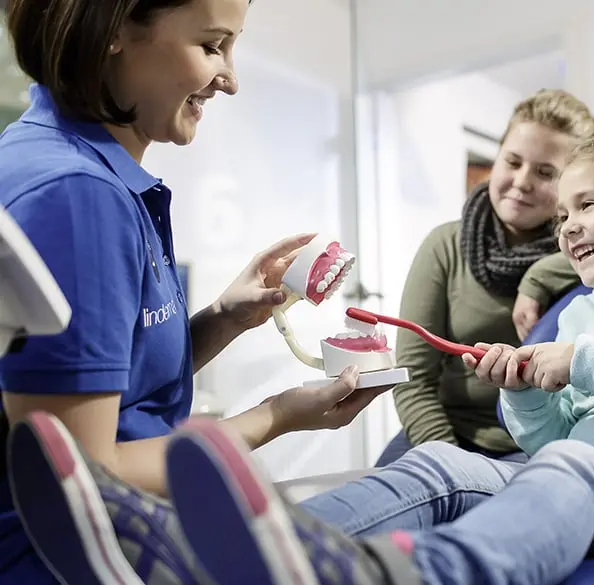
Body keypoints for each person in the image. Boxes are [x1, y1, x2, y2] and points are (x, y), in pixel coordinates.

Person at [83, 128, 594, 585]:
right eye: (561, 216)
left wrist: (579, 361)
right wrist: (526, 390)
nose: (565, 228)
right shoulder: (590, 308)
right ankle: (218, 555)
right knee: (442, 465)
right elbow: (553, 441)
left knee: (577, 469)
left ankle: (413, 573)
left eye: (584, 205)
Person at [0, 1, 392, 584]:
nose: (230, 80)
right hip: (97, 558)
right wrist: (276, 416)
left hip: (140, 530)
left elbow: (111, 387)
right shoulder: (77, 198)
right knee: (454, 479)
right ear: (113, 31)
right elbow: (85, 473)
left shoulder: (71, 167)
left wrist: (225, 318)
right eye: (212, 47)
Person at [377, 89, 594, 466]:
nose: (522, 180)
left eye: (546, 172)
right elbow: (413, 379)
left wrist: (540, 274)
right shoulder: (446, 245)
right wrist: (446, 461)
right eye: (512, 161)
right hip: (443, 431)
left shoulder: (590, 253)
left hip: (541, 443)